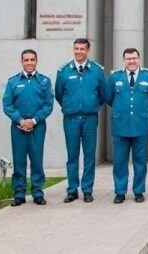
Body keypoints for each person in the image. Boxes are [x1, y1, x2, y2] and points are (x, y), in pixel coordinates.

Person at [104, 48, 148, 204]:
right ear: (124, 60)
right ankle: (120, 191)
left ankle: (138, 191)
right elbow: (109, 98)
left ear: (139, 59)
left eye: (134, 58)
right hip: (120, 124)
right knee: (120, 160)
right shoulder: (115, 77)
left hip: (141, 124)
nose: (131, 61)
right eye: (128, 58)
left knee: (140, 160)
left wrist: (142, 110)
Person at [54, 38, 106, 203]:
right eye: (76, 49)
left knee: (89, 156)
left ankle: (87, 189)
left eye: (82, 49)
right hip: (71, 119)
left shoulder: (97, 71)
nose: (78, 52)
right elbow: (59, 94)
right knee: (72, 156)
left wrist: (92, 106)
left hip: (90, 119)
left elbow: (103, 95)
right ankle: (72, 190)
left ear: (88, 51)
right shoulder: (64, 71)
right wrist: (70, 106)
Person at [2, 49, 54, 206]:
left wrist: (34, 120)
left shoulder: (44, 81)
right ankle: (19, 194)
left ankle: (38, 192)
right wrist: (20, 120)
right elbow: (7, 104)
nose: (29, 62)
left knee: (36, 160)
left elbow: (48, 105)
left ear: (36, 61)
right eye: (26, 60)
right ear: (22, 62)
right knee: (19, 161)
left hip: (37, 128)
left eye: (32, 60)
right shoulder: (13, 82)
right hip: (18, 128)